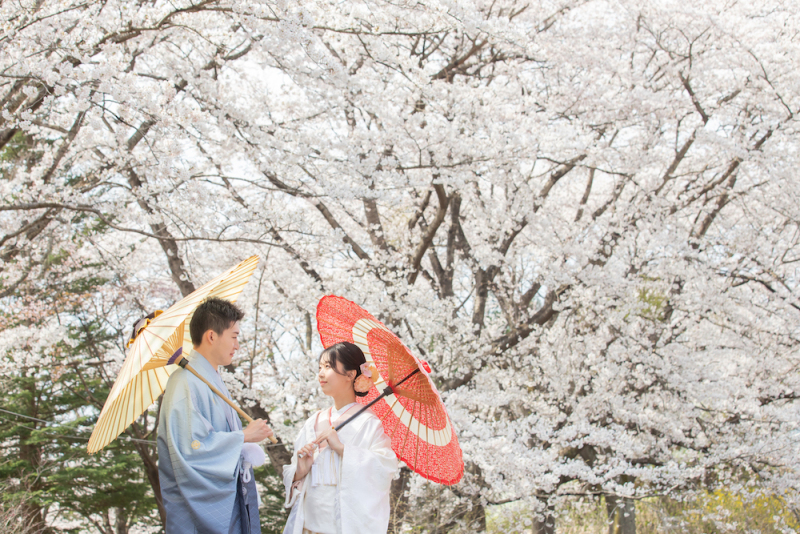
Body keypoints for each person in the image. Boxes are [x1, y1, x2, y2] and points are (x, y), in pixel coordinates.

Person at [158, 297, 274, 533]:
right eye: (234, 336)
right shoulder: (184, 382)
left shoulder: (210, 380)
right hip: (199, 514)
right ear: (211, 336)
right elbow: (191, 450)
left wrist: (243, 443)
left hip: (230, 501)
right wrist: (242, 436)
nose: (237, 345)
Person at [282, 342, 398, 534]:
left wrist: (344, 449)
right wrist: (299, 472)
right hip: (307, 527)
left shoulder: (368, 423)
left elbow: (385, 468)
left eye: (328, 367)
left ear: (350, 374)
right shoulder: (313, 421)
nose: (320, 374)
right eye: (320, 367)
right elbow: (293, 472)